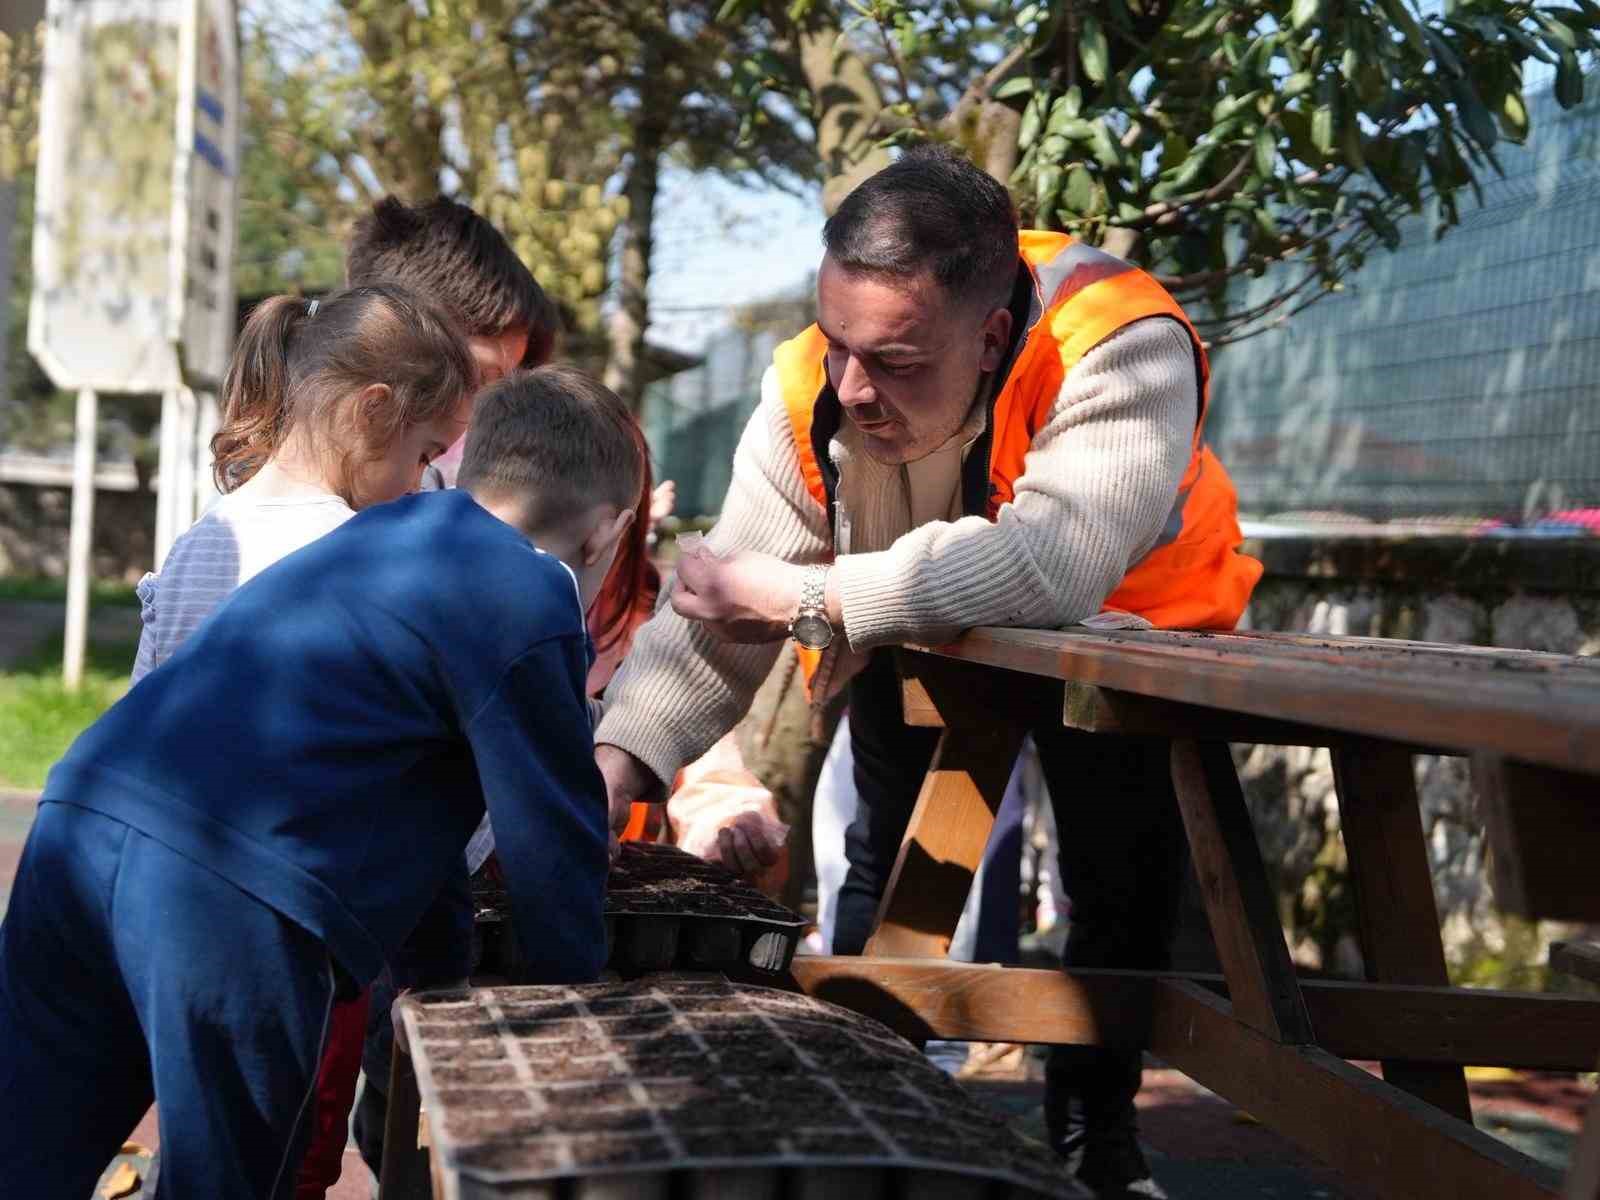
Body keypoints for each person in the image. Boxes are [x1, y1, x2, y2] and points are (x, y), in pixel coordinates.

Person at [591, 144, 1262, 1199]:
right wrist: (620, 762)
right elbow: (724, 601)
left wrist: (810, 599)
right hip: (922, 624)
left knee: (1115, 894)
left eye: (896, 362)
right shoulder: (810, 382)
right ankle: (864, 1105)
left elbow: (1050, 563)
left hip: (1129, 632)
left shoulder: (1123, 339)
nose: (853, 387)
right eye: (838, 342)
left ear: (991, 335)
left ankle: (1096, 1143)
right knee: (883, 857)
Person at [0, 365, 641, 1200]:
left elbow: (421, 818)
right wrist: (573, 1013)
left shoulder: (377, 537)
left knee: (27, 1152)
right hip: (224, 891)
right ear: (607, 534)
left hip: (80, 820)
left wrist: (437, 976)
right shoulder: (530, 593)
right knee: (223, 1182)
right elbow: (554, 846)